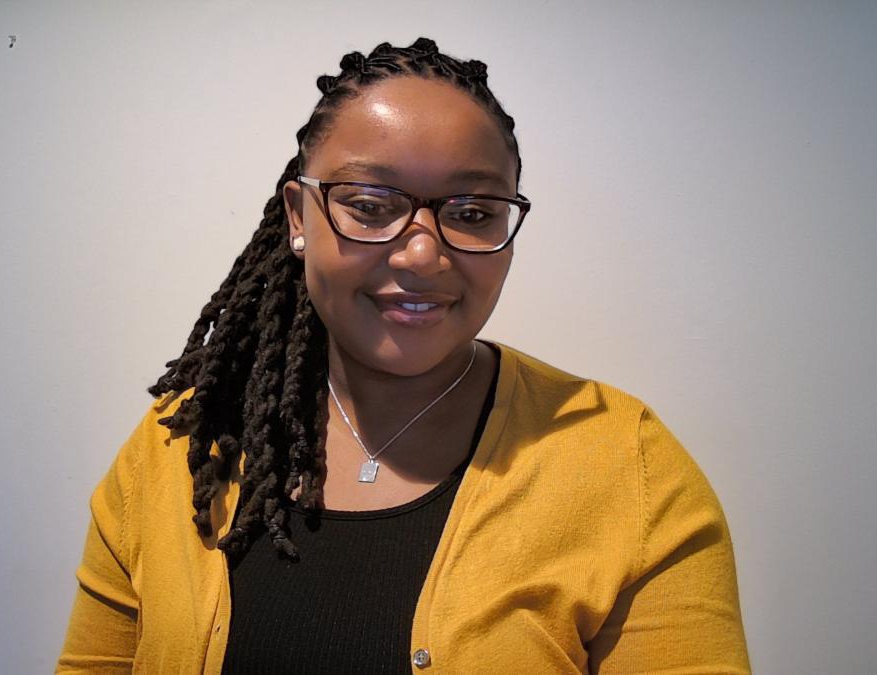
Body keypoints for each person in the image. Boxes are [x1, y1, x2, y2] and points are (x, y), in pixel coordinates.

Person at [57, 38, 749, 674]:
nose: (422, 253)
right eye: (369, 204)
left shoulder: (629, 468)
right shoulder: (178, 450)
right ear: (298, 217)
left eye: (472, 213)